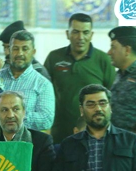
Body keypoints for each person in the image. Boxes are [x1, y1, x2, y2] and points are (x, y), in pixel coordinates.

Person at [44, 13, 115, 143]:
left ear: (91, 35)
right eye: (75, 32)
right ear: (67, 34)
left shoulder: (103, 60)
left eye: (85, 32)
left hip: (94, 134)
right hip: (60, 132)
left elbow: (111, 96)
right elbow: (44, 94)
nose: (80, 37)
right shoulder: (54, 58)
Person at [0, 31, 55, 132]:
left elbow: (46, 120)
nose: (20, 53)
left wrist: (14, 114)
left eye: (25, 49)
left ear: (33, 52)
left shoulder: (42, 84)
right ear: (9, 51)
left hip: (25, 140)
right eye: (15, 49)